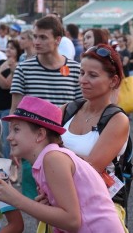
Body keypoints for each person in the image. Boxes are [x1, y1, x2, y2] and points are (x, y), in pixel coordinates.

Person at [0, 96, 124, 233]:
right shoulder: (47, 159)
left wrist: (16, 199)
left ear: (40, 134)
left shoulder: (53, 159)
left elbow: (72, 221)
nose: (9, 137)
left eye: (16, 129)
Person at [10, 15, 82, 200]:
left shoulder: (75, 69)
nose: (36, 42)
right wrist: (14, 144)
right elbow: (15, 111)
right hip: (33, 146)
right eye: (35, 36)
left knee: (66, 201)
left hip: (67, 147)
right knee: (37, 204)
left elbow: (82, 112)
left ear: (58, 40)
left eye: (43, 37)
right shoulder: (23, 69)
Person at [60, 43, 130, 231]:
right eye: (81, 73)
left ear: (113, 81)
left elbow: (88, 170)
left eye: (92, 75)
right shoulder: (68, 110)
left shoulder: (117, 120)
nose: (83, 80)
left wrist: (54, 166)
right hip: (61, 203)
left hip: (99, 207)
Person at [0, 40, 23, 158]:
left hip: (7, 107)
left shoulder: (17, 66)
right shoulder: (1, 62)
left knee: (7, 140)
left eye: (12, 48)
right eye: (7, 47)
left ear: (17, 51)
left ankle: (8, 165)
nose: (8, 50)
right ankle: (0, 163)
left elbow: (6, 84)